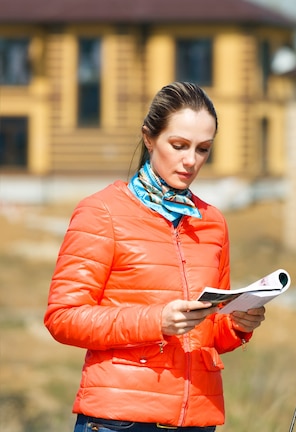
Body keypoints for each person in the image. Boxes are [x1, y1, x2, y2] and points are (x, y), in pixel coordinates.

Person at [44, 81, 266, 431]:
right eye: (178, 145)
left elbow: (209, 332)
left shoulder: (213, 223)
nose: (191, 160)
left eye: (203, 149)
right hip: (121, 420)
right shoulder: (101, 212)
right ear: (149, 138)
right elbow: (63, 317)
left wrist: (237, 324)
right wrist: (156, 321)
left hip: (197, 419)